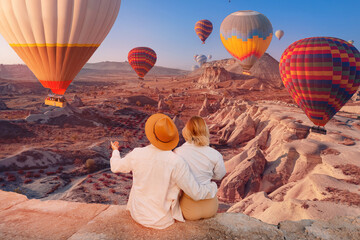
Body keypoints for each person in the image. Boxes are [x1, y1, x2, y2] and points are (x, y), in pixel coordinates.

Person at [109, 113, 218, 229]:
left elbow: (115, 167)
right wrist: (213, 187)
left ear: (152, 134)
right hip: (162, 221)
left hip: (138, 215)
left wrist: (115, 151)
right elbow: (195, 193)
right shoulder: (177, 162)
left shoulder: (137, 153)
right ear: (170, 138)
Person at [174, 116, 226, 220]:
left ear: (187, 132)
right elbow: (220, 175)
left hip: (189, 208)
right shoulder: (215, 154)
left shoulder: (177, 152)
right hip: (210, 207)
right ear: (205, 131)